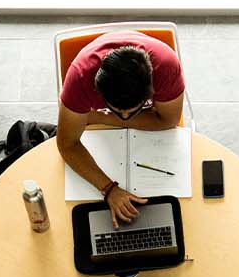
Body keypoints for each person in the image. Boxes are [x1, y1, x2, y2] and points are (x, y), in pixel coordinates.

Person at [56, 30, 185, 225]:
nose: (125, 117)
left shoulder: (165, 67)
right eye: (115, 110)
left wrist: (102, 117)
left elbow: (168, 121)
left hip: (100, 121)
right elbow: (66, 143)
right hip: (102, 132)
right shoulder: (80, 78)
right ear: (98, 92)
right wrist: (109, 189)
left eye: (133, 110)